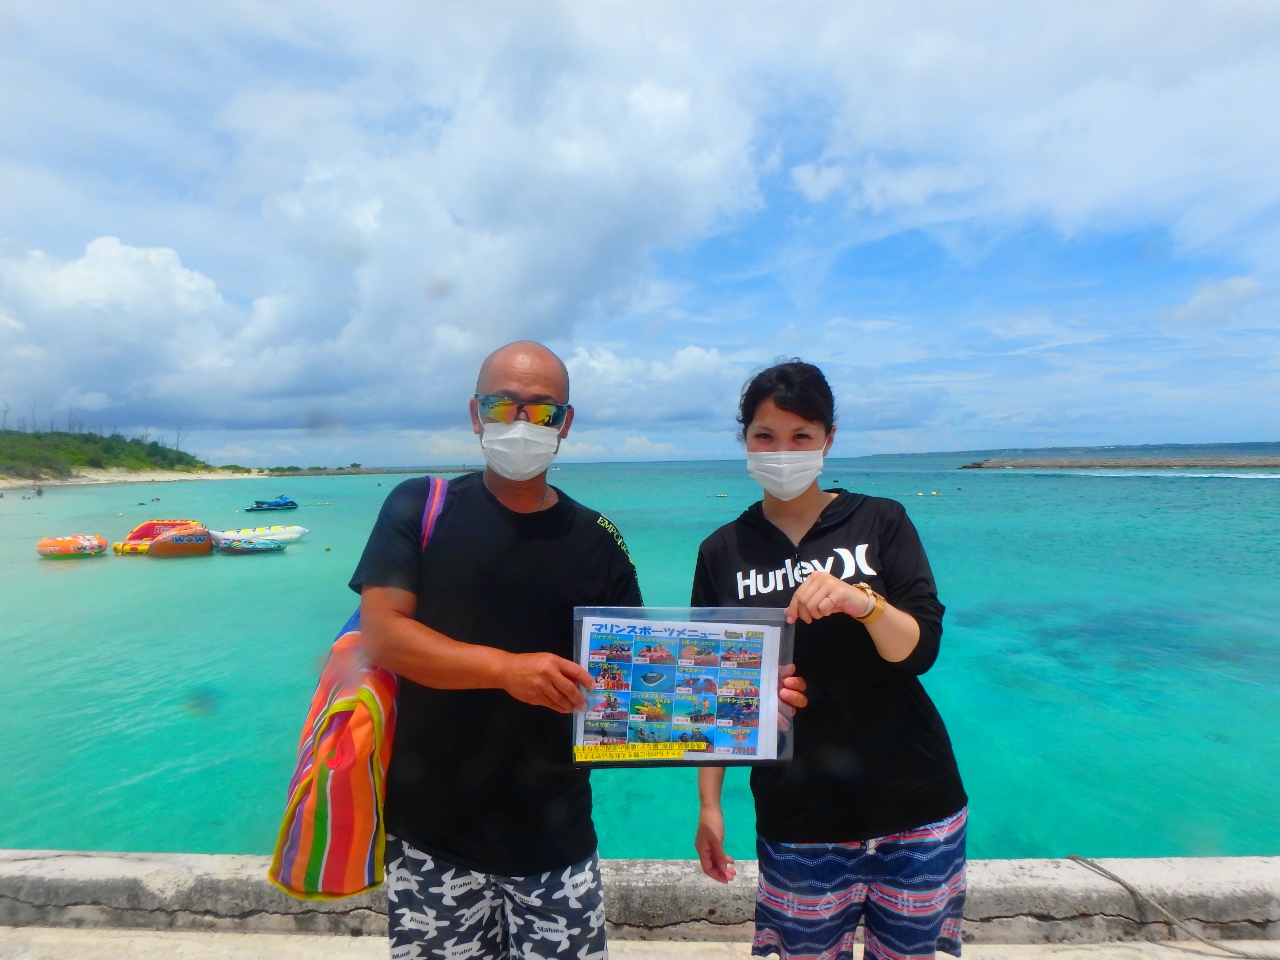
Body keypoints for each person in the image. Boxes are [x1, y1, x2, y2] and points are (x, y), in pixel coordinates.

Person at [351, 341, 639, 960]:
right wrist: (506, 670)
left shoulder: (599, 540)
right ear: (475, 413)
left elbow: (633, 681)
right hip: (432, 840)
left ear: (565, 423)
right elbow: (383, 633)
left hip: (556, 839)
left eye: (542, 410)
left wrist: (747, 706)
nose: (520, 422)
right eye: (502, 405)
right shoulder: (419, 506)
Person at [691, 360, 968, 960]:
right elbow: (709, 689)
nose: (782, 451)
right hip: (798, 812)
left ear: (828, 439)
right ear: (745, 440)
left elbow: (920, 650)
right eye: (765, 435)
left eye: (801, 436)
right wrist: (710, 805)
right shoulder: (721, 551)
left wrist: (862, 602)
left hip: (916, 801)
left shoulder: (881, 520)